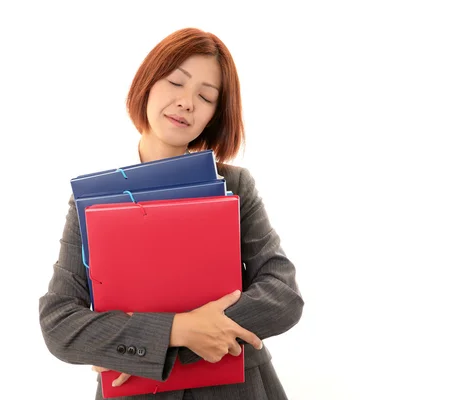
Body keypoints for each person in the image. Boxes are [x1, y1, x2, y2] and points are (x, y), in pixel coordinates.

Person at [39, 27, 304, 400]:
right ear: (148, 83)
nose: (186, 102)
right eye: (175, 82)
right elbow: (59, 324)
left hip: (237, 389)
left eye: (205, 96)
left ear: (215, 114)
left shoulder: (235, 185)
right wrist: (178, 330)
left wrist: (144, 340)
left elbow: (282, 295)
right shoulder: (93, 199)